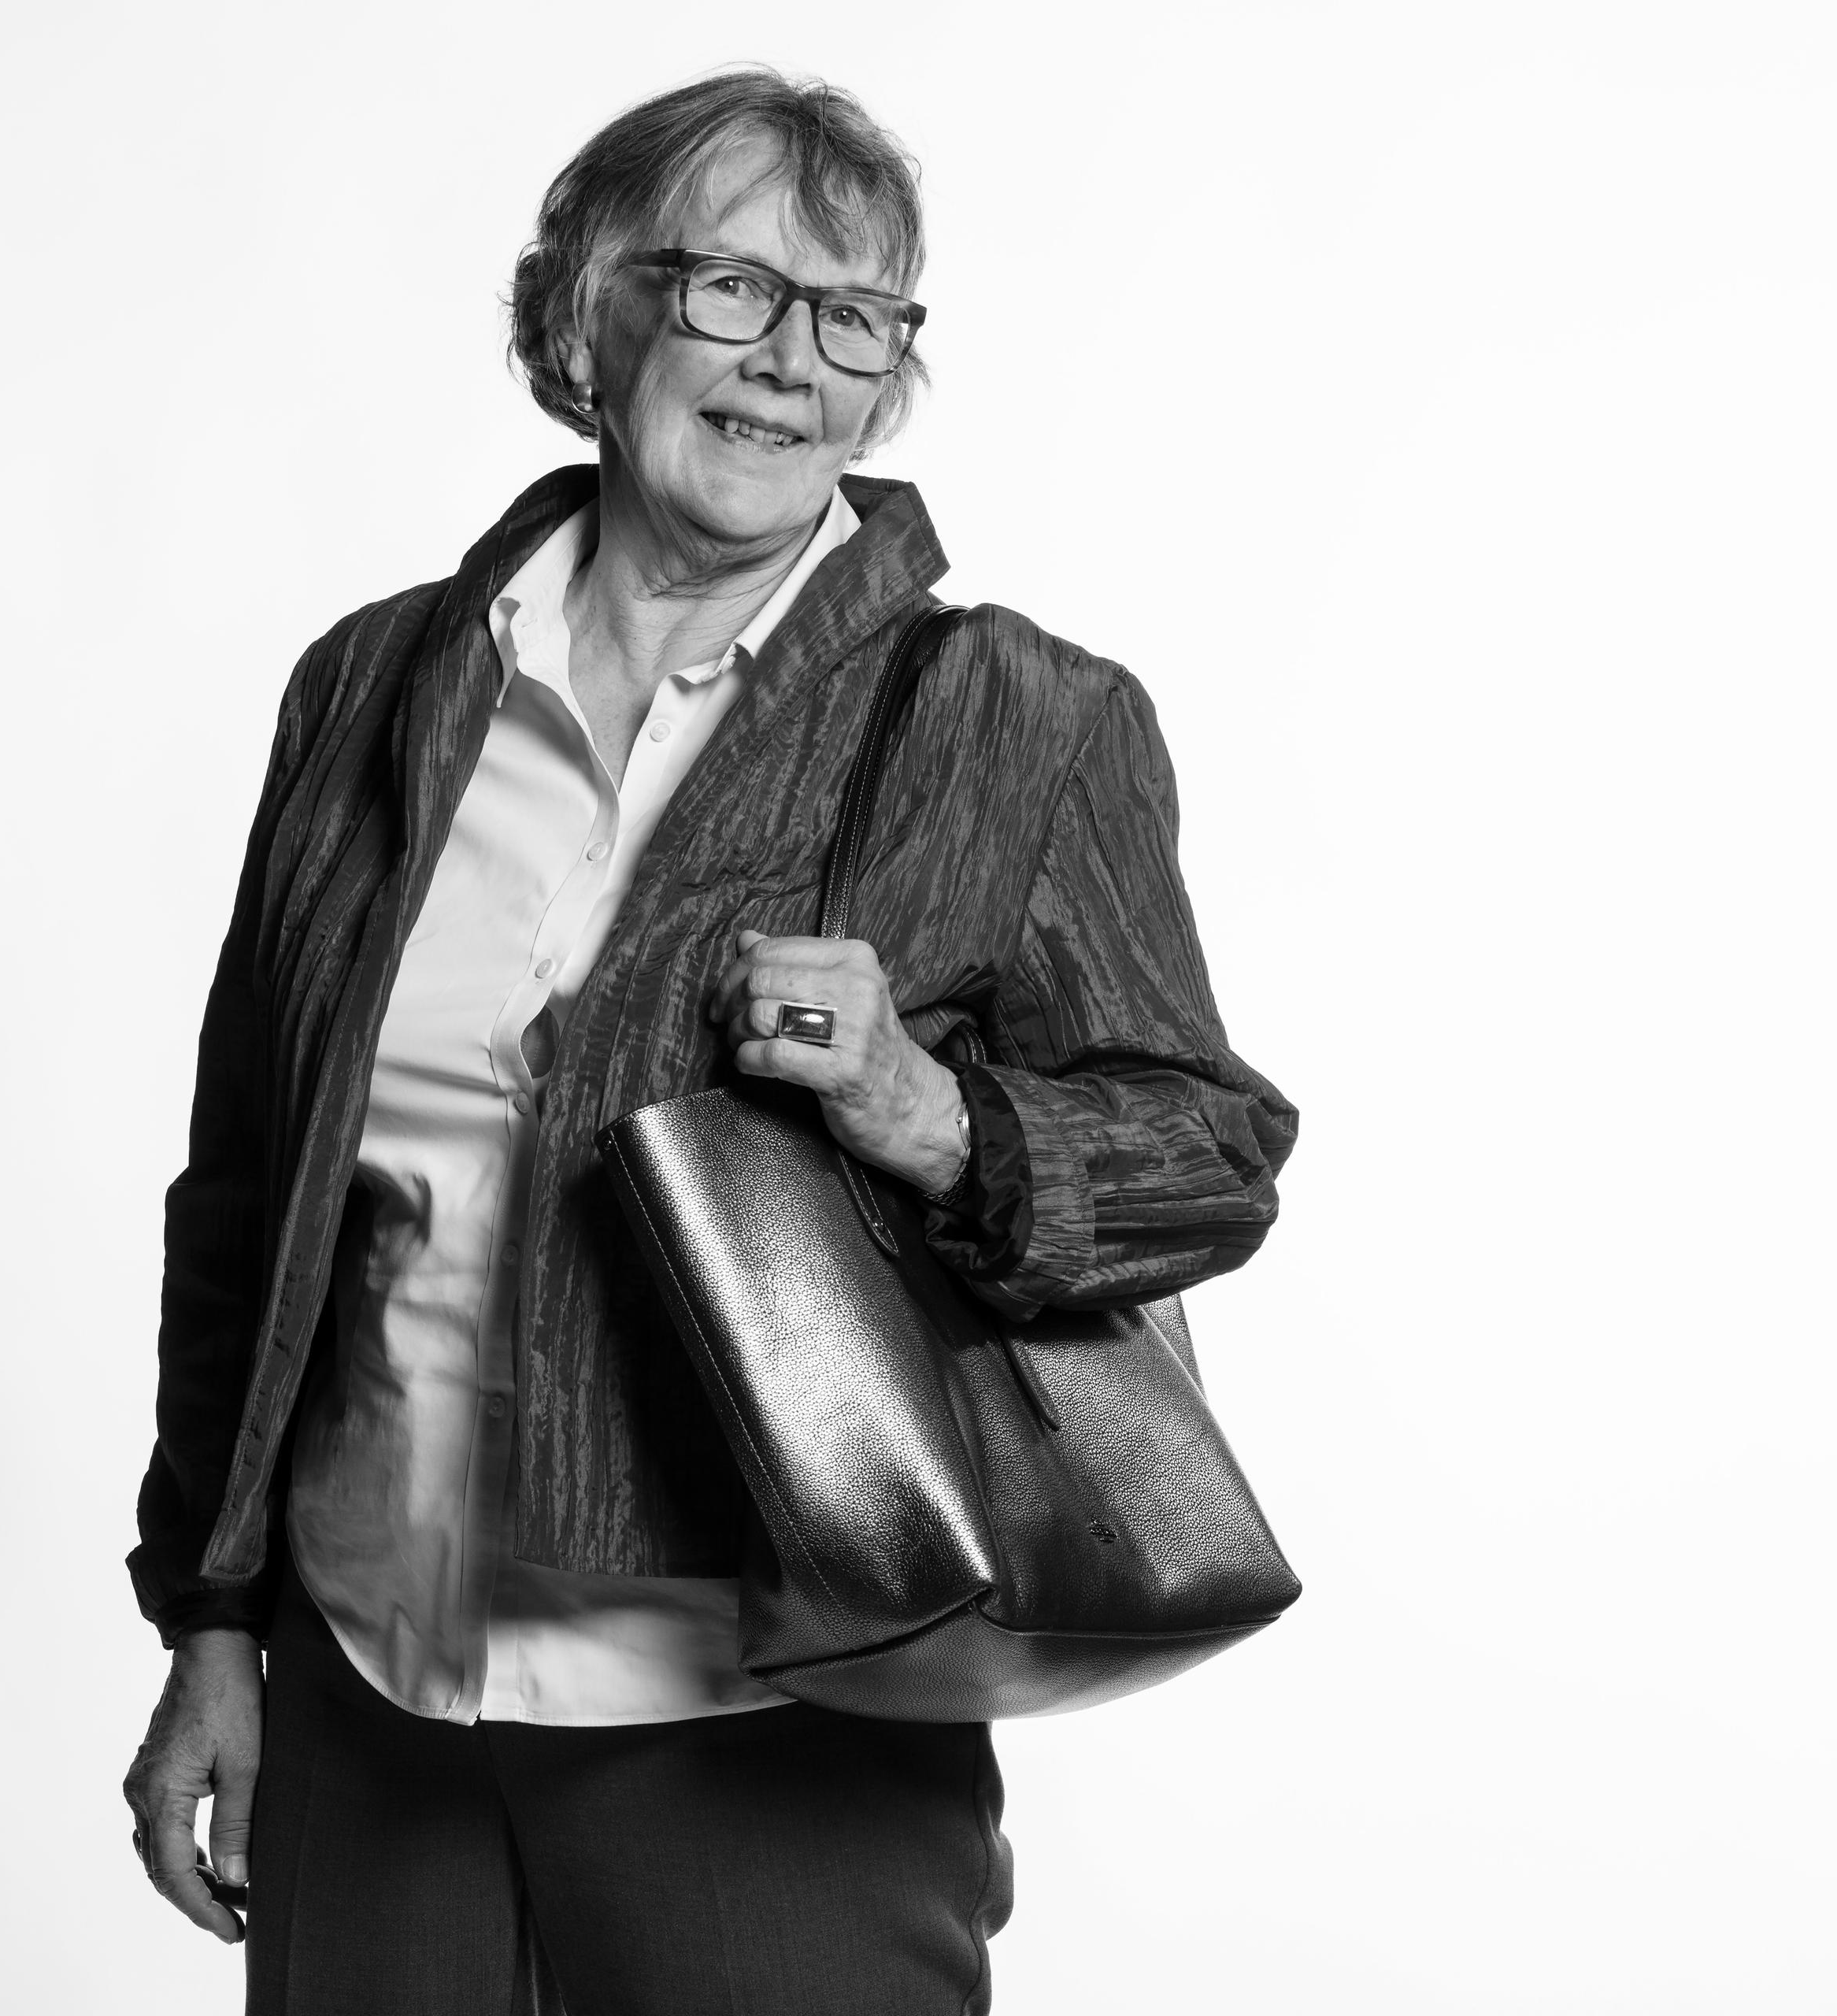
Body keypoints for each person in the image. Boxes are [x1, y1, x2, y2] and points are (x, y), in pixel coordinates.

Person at [122, 65, 1297, 2016]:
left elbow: (1210, 1154)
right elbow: (246, 1200)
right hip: (363, 1705)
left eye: (853, 318)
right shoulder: (371, 687)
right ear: (589, 311)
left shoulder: (1013, 719)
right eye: (732, 288)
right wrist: (213, 1615)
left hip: (777, 1719)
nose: (788, 363)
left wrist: (928, 1109)